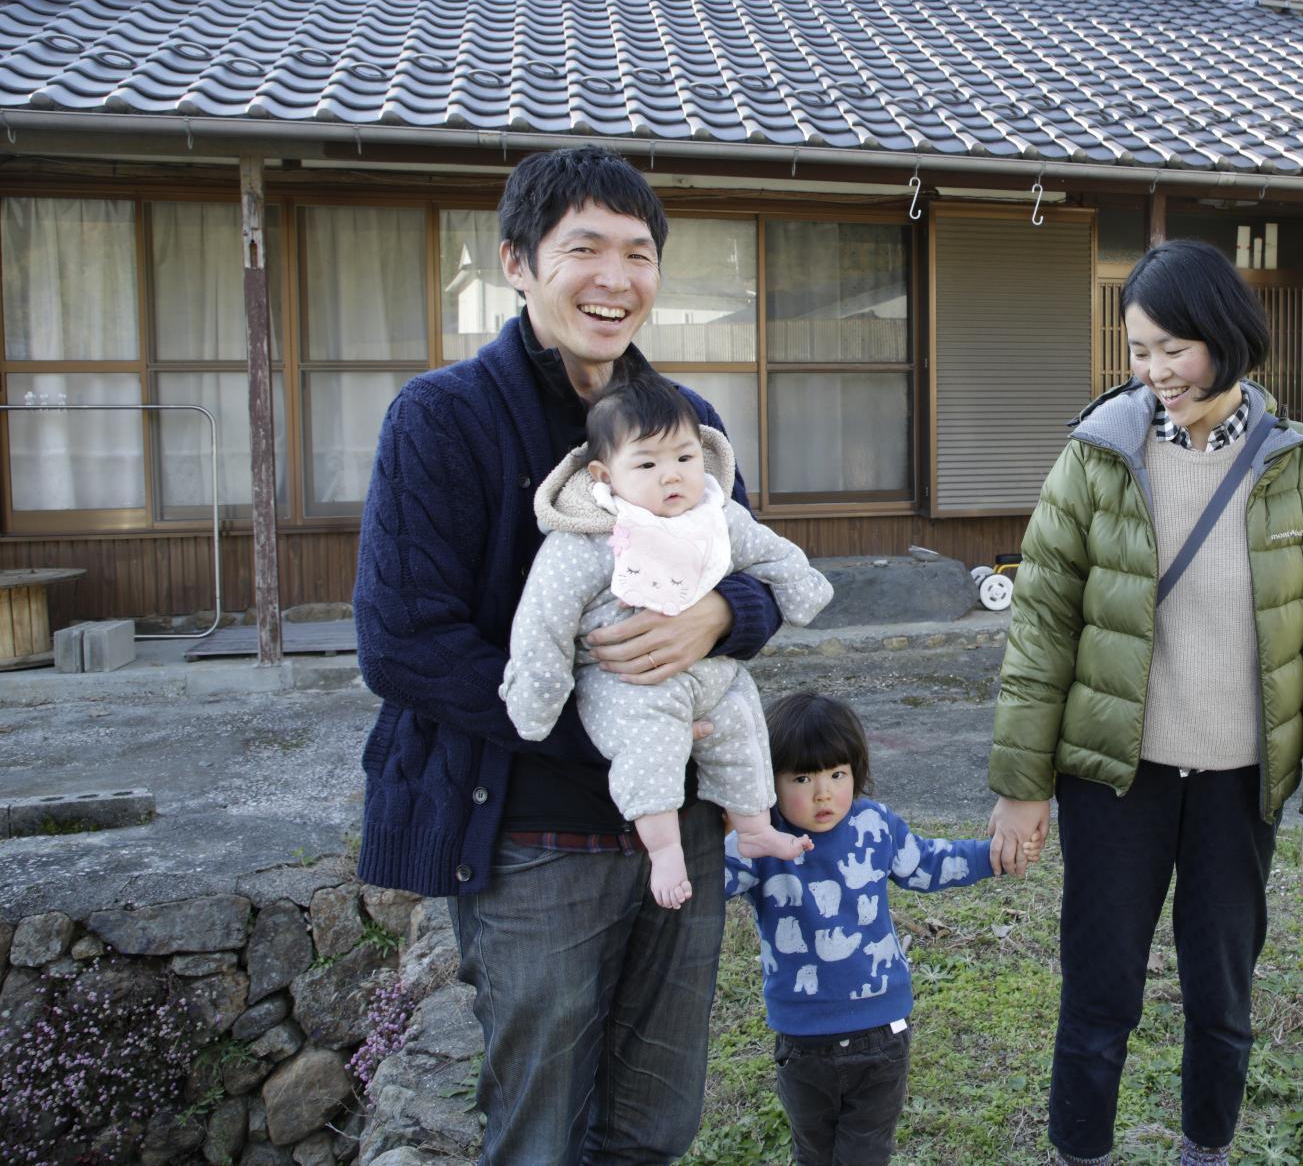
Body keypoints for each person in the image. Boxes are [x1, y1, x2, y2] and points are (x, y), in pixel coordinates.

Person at [354, 144, 783, 1163]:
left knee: (653, 1119)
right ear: (516, 262)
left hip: (680, 824)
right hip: (528, 833)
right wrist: (610, 726)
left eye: (637, 253)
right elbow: (404, 643)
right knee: (539, 1124)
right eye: (582, 246)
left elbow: (756, 578)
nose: (614, 277)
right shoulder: (442, 418)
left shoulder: (687, 421)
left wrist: (721, 619)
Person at [986, 239, 1303, 1166]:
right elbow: (1040, 630)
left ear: (1226, 336)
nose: (1155, 370)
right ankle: (1080, 1151)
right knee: (1099, 990)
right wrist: (1021, 783)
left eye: (1174, 347)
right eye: (1138, 351)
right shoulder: (1095, 460)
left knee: (1221, 992)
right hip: (1116, 781)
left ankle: (1207, 1149)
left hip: (1239, 782)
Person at [500, 372, 832, 908]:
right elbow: (544, 622)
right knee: (649, 743)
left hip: (709, 671)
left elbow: (769, 552)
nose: (671, 476)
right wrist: (535, 702)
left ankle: (752, 824)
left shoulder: (716, 514)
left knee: (742, 719)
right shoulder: (589, 538)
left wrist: (802, 588)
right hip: (626, 681)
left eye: (683, 458)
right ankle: (665, 849)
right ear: (604, 474)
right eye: (647, 464)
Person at [724, 691, 999, 1166]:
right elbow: (706, 885)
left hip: (882, 1030)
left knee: (866, 1153)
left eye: (837, 774)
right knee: (812, 1151)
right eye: (802, 777)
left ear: (856, 772)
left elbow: (927, 865)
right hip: (802, 1037)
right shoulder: (761, 839)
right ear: (768, 783)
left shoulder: (875, 825)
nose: (823, 793)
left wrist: (991, 855)